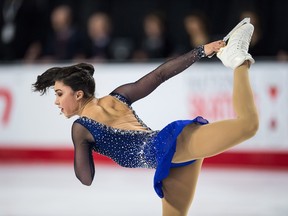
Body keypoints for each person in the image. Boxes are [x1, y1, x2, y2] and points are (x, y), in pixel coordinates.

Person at [32, 22, 259, 216]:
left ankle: (238, 61)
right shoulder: (118, 97)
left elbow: (85, 178)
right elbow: (159, 75)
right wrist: (201, 50)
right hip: (169, 161)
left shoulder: (81, 128)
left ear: (78, 94)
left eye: (59, 94)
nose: (57, 102)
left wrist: (81, 145)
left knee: (248, 124)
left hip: (170, 144)